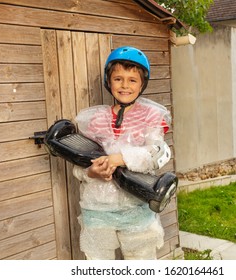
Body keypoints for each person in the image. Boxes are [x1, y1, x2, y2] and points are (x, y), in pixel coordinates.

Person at [72, 46, 172, 260]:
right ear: (109, 82)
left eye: (132, 80)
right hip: (97, 209)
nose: (125, 85)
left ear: (142, 84)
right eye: (118, 78)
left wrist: (120, 159)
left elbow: (156, 153)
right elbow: (79, 164)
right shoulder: (95, 119)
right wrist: (90, 173)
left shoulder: (151, 116)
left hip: (135, 208)